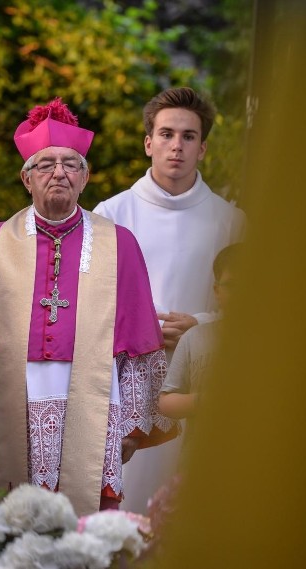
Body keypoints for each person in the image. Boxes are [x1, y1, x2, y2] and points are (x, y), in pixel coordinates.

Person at [0, 98, 177, 516]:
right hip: (10, 402)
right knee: (8, 524)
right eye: (45, 165)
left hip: (96, 402)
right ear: (27, 178)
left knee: (85, 526)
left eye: (70, 164)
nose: (59, 172)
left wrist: (134, 423)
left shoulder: (120, 244)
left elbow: (138, 346)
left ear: (86, 176)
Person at [94, 87, 246, 514]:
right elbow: (91, 300)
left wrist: (200, 321)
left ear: (203, 148)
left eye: (188, 136)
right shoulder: (112, 214)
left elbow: (254, 304)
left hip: (199, 377)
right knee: (125, 504)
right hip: (124, 375)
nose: (176, 146)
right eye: (165, 134)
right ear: (148, 143)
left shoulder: (231, 221)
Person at [159, 244, 240, 423]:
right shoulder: (194, 338)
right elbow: (165, 402)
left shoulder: (277, 340)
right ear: (217, 291)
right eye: (232, 285)